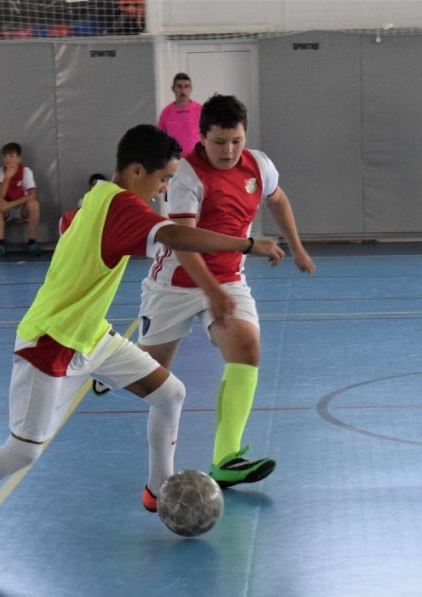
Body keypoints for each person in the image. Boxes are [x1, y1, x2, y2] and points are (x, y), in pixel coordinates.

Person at [0, 124, 285, 551]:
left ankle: (159, 488)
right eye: (163, 179)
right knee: (23, 451)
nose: (164, 189)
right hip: (51, 341)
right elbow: (175, 235)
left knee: (170, 394)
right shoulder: (122, 207)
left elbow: (70, 224)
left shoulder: (98, 196)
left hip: (91, 335)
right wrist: (247, 244)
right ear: (137, 171)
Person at [138, 94, 316, 489]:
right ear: (202, 138)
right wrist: (212, 292)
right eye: (219, 142)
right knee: (146, 375)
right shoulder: (186, 175)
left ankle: (226, 458)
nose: (229, 150)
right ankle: (107, 364)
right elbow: (184, 243)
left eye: (236, 141)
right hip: (176, 284)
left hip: (230, 278)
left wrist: (297, 247)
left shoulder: (259, 165)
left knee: (247, 348)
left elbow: (278, 200)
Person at [0, 142, 41, 256]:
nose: (7, 159)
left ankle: (32, 242)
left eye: (11, 156)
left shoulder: (26, 171)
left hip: (21, 208)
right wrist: (7, 178)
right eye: (5, 156)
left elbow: (32, 195)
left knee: (34, 204)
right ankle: (0, 243)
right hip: (6, 209)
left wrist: (10, 204)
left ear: (19, 158)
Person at [157, 73, 202, 158]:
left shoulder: (200, 110)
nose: (183, 91)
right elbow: (160, 139)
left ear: (191, 89)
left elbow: (208, 135)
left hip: (196, 158)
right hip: (174, 159)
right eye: (179, 87)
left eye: (186, 87)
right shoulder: (166, 112)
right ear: (173, 89)